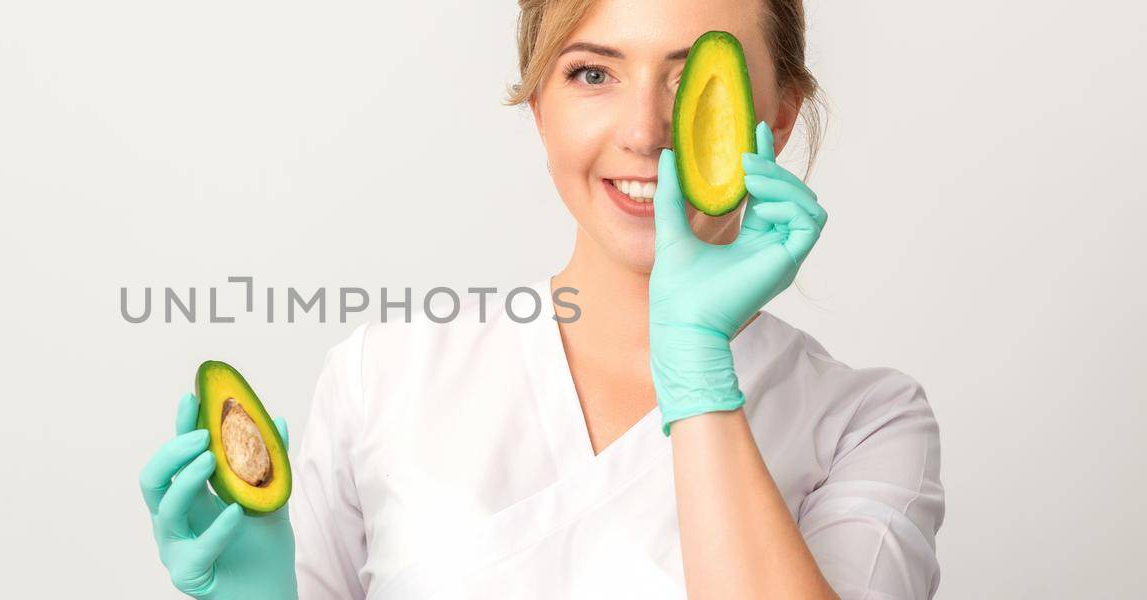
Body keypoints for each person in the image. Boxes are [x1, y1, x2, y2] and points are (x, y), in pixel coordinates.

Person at [138, 0, 946, 597]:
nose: (645, 132)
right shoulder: (381, 376)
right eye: (592, 73)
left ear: (779, 113)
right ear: (538, 105)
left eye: (697, 77)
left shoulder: (864, 426)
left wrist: (699, 371)